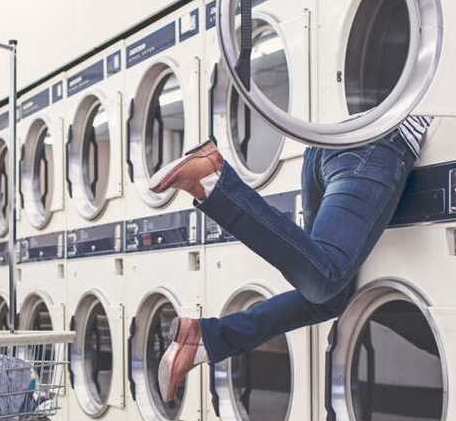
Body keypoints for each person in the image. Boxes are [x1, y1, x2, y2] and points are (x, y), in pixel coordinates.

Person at [149, 116, 432, 401]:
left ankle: (204, 339)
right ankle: (212, 180)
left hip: (329, 148)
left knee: (329, 295)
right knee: (324, 279)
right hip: (377, 147)